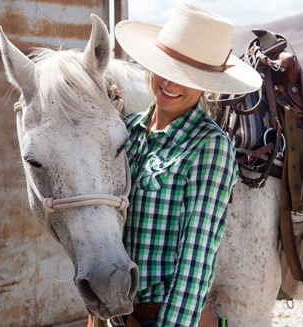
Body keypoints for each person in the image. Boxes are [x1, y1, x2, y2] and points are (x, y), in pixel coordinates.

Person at [112, 3, 262, 327]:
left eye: (187, 77)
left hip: (166, 317)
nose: (171, 83)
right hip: (120, 314)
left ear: (207, 83)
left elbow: (197, 258)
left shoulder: (209, 147)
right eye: (165, 67)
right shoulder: (128, 130)